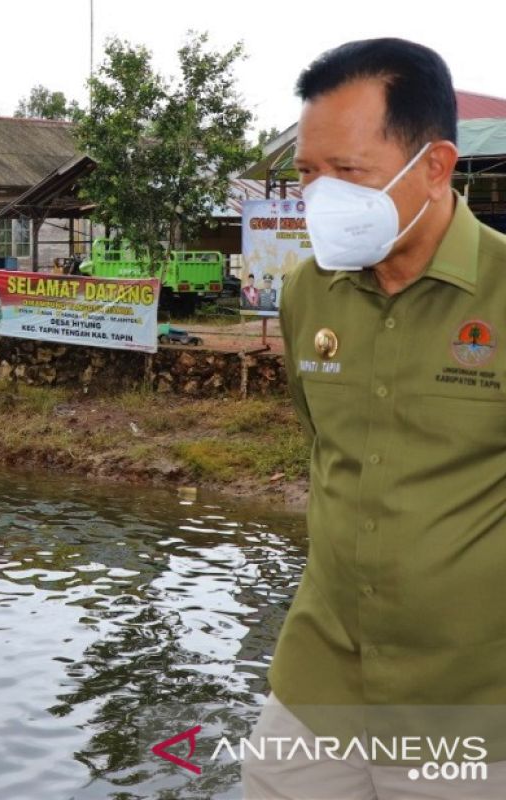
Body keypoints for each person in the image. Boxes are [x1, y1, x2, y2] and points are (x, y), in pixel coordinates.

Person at [244, 39, 506, 798]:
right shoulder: (306, 295)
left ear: (434, 165)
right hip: (318, 681)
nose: (321, 196)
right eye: (306, 174)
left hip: (469, 708)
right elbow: (325, 448)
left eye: (348, 172)